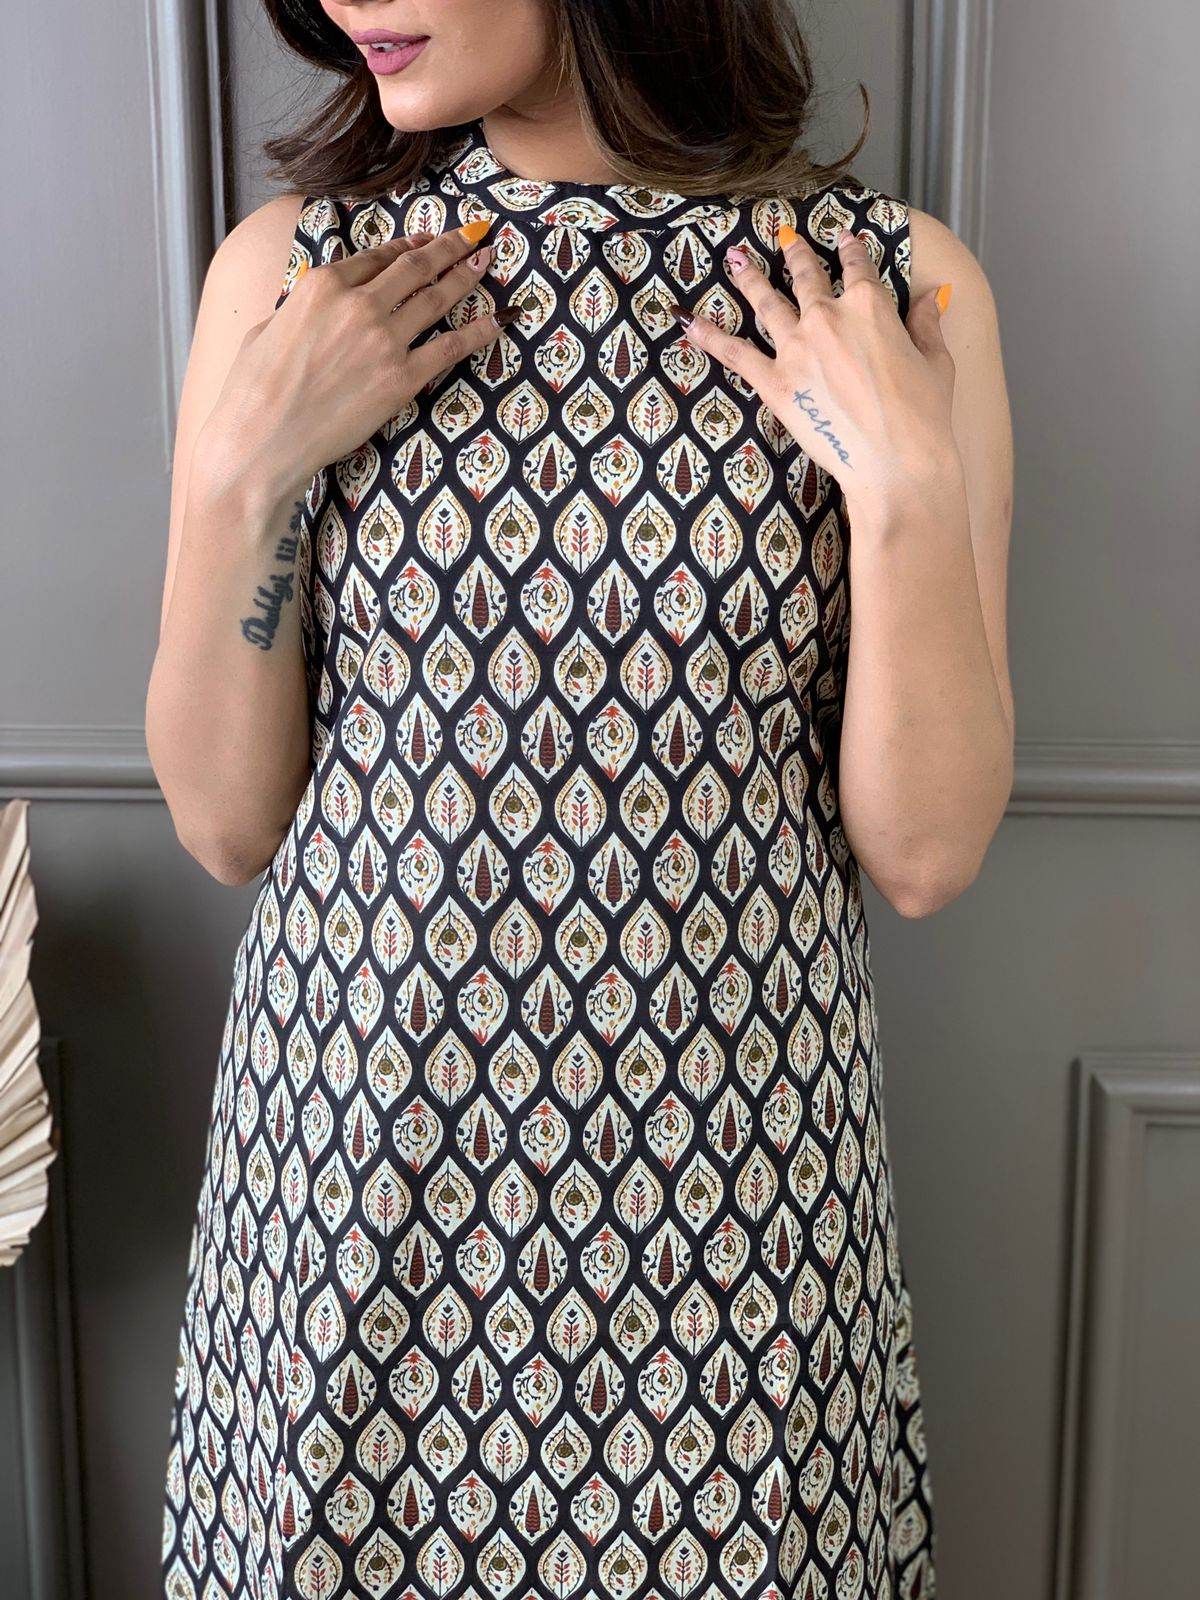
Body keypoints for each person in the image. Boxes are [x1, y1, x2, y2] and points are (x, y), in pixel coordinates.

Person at [146, 3, 1014, 1597]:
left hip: (730, 1211)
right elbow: (223, 822)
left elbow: (928, 851)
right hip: (357, 1180)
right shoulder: (295, 275)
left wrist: (904, 492)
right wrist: (241, 477)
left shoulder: (888, 286)